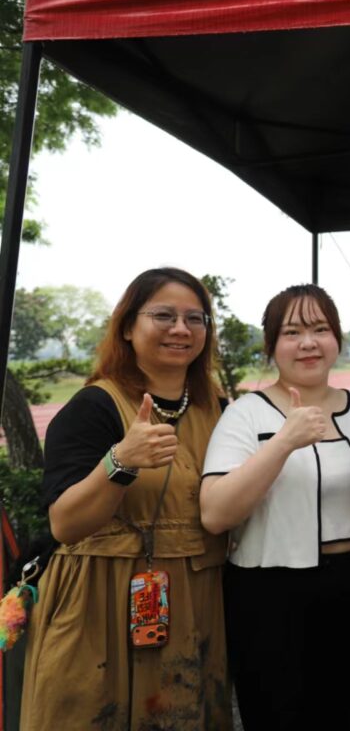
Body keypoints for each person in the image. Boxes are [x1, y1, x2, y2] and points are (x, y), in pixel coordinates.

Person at [21, 267, 231, 730]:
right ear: (128, 328)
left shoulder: (217, 408)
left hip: (194, 599)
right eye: (164, 316)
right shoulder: (93, 407)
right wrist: (121, 461)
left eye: (195, 319)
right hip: (100, 599)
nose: (181, 329)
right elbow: (65, 525)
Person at [200, 285, 350, 730]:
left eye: (320, 329)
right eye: (292, 332)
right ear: (271, 346)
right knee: (275, 718)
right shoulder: (246, 414)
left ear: (337, 338)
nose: (308, 343)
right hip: (267, 592)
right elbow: (215, 514)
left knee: (340, 716)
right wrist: (283, 442)